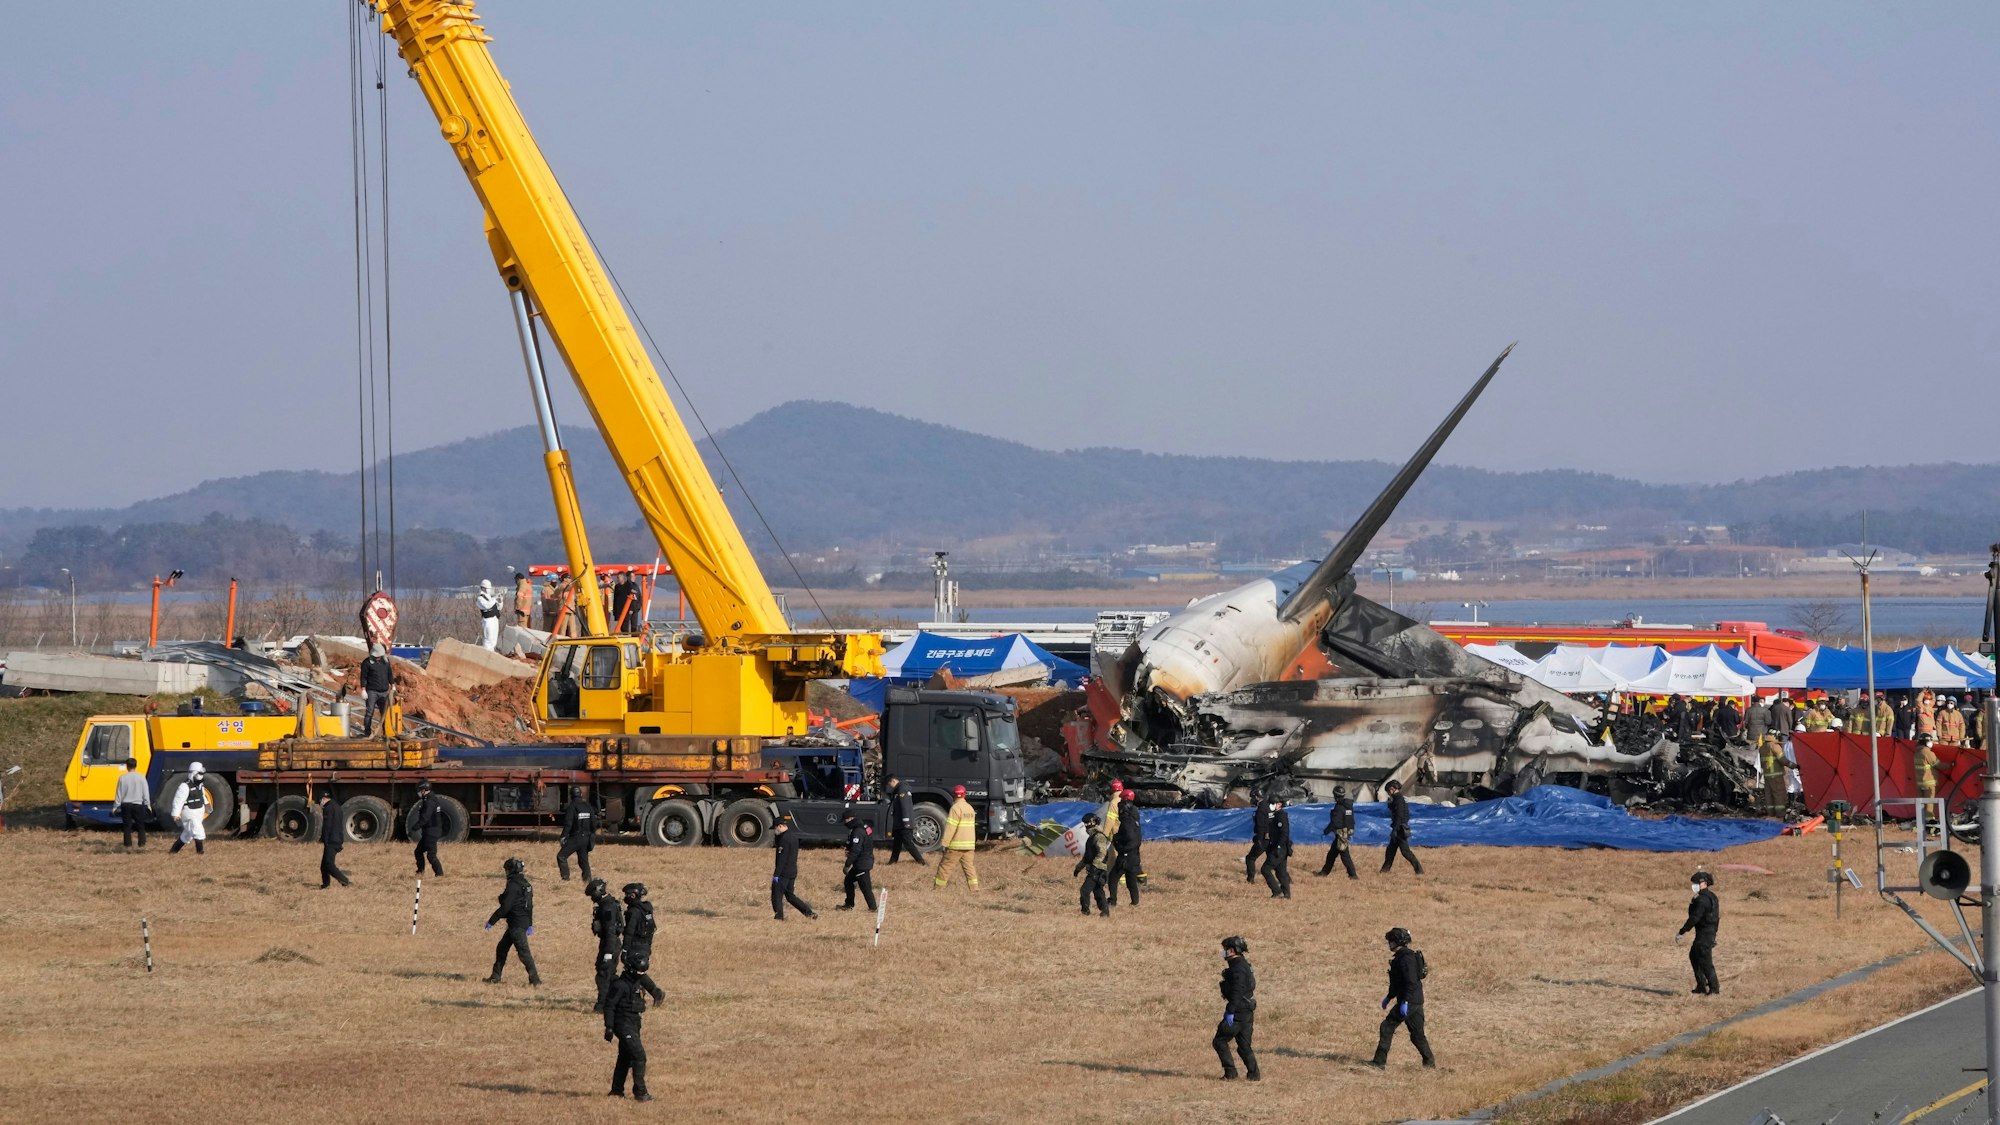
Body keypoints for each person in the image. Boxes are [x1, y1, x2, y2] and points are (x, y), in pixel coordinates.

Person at [1369, 927, 1435, 1068]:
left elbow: (1410, 982)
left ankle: (1378, 1063)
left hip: (1409, 1001)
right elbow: (1398, 982)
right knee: (1417, 1035)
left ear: (1397, 942)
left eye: (1391, 941)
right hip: (1415, 1001)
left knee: (1387, 1026)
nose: (1389, 944)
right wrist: (1389, 996)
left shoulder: (1405, 959)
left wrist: (1405, 1001)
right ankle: (1429, 1063)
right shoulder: (1403, 957)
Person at [603, 959, 655, 1101]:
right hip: (623, 1024)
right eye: (639, 973)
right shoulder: (619, 986)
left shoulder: (637, 982)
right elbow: (609, 1006)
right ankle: (640, 1092)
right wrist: (609, 1027)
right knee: (639, 1056)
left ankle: (616, 1091)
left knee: (624, 1058)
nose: (642, 976)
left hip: (634, 1024)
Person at [484, 856, 541, 985]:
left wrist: (492, 921)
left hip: (516, 925)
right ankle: (495, 976)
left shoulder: (513, 886)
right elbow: (529, 906)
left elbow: (505, 907)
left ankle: (535, 980)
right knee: (502, 948)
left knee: (524, 954)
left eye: (507, 870)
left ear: (511, 871)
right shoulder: (527, 885)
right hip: (519, 923)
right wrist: (530, 923)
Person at [1212, 935, 1259, 1081]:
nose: (1223, 952)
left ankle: (1230, 1073)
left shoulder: (1237, 969)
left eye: (1225, 950)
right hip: (1247, 1012)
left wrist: (1230, 1011)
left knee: (1219, 1041)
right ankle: (1254, 1075)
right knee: (1244, 1046)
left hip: (1237, 1012)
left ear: (1232, 951)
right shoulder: (1244, 964)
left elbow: (1237, 991)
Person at [619, 883, 666, 1004]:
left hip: (636, 945)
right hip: (645, 945)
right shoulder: (646, 909)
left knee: (634, 971)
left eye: (627, 894)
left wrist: (624, 950)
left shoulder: (634, 912)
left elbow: (629, 932)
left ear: (633, 895)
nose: (625, 897)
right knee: (634, 971)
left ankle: (655, 992)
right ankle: (641, 995)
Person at [1677, 870, 1721, 995]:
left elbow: (1695, 917)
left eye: (1696, 883)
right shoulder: (1712, 896)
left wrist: (1682, 931)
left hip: (1704, 933)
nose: (1694, 885)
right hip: (1708, 932)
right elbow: (1716, 918)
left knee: (1706, 961)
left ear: (1704, 884)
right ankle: (1701, 985)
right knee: (1694, 956)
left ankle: (1714, 988)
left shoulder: (1702, 900)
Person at [770, 813, 817, 920]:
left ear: (780, 826)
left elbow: (781, 859)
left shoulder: (784, 840)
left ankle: (779, 917)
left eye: (775, 828)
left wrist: (776, 875)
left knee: (777, 894)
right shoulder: (793, 837)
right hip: (792, 871)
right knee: (790, 896)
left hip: (783, 873)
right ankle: (809, 913)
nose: (774, 831)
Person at [934, 785, 979, 890]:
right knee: (969, 867)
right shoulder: (970, 808)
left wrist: (944, 843)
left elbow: (951, 827)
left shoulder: (955, 808)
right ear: (964, 794)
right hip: (969, 845)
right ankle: (975, 888)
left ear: (954, 795)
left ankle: (938, 889)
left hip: (956, 845)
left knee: (945, 867)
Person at [588, 879, 622, 1012]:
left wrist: (608, 952)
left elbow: (610, 931)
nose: (591, 898)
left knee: (603, 974)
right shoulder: (605, 904)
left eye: (592, 894)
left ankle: (602, 1005)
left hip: (610, 944)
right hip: (609, 943)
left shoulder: (607, 907)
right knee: (611, 974)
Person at [1073, 812, 1113, 917]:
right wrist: (1078, 868)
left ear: (1094, 822)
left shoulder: (1098, 836)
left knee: (1084, 890)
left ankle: (1085, 911)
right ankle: (1105, 912)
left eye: (1088, 823)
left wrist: (1095, 865)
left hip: (1098, 869)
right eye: (1085, 824)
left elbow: (1102, 852)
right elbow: (1087, 857)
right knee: (1098, 891)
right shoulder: (1091, 838)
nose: (1086, 826)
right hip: (1096, 869)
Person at [838, 808, 877, 912]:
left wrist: (847, 864)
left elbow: (856, 850)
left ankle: (873, 909)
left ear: (850, 819)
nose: (845, 823)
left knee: (866, 888)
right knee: (848, 881)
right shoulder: (862, 826)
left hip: (862, 864)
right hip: (862, 862)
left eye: (845, 821)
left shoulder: (857, 831)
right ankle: (849, 904)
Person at [1381, 780, 1423, 875]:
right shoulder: (1397, 799)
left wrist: (1395, 829)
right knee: (1390, 851)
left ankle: (1419, 870)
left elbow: (1400, 815)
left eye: (1388, 791)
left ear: (1392, 789)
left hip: (1399, 830)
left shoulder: (1399, 799)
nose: (1388, 793)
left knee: (1405, 852)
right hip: (1398, 828)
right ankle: (1384, 870)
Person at [1316, 785, 1358, 879]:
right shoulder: (1348, 805)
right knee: (1331, 854)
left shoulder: (1339, 807)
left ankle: (1353, 875)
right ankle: (1324, 872)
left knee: (1344, 855)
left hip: (1341, 834)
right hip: (1346, 832)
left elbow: (1335, 822)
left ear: (1335, 795)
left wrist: (1326, 831)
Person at [168, 763, 210, 856]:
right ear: (193, 773)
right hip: (190, 812)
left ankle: (173, 851)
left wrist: (207, 805)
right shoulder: (184, 786)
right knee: (198, 830)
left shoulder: (200, 785)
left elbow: (202, 796)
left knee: (188, 834)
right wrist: (175, 813)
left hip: (199, 811)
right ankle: (200, 852)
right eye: (199, 774)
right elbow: (178, 800)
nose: (201, 776)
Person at [557, 787, 596, 882]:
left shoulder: (572, 807)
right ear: (581, 795)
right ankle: (588, 881)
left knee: (561, 856)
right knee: (583, 861)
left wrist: (563, 836)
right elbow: (593, 823)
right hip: (586, 838)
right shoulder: (588, 806)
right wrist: (591, 835)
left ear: (571, 796)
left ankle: (565, 878)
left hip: (576, 838)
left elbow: (568, 824)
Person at [1112, 787, 1144, 906]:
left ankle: (1113, 901)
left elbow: (1128, 836)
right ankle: (1135, 902)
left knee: (1113, 878)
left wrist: (1118, 842)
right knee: (1130, 879)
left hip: (1126, 855)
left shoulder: (1127, 821)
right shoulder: (1135, 816)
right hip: (1134, 855)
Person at [884, 776, 925, 865]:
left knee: (908, 843)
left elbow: (905, 806)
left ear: (893, 781)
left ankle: (921, 861)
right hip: (899, 823)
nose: (890, 786)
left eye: (889, 784)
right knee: (897, 843)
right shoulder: (898, 790)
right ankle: (893, 861)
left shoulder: (902, 790)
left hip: (904, 823)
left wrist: (906, 821)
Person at [1259, 797, 1293, 899]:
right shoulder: (1275, 815)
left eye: (1273, 803)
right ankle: (1286, 894)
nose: (1271, 805)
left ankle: (1277, 891)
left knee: (1265, 869)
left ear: (1279, 804)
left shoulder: (1281, 816)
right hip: (1278, 847)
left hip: (1280, 848)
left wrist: (1278, 846)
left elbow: (1284, 833)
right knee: (1281, 872)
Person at [115, 757, 152, 847]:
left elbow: (118, 793)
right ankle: (142, 843)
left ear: (127, 766)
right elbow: (145, 792)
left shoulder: (122, 778)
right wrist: (148, 804)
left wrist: (115, 805)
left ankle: (128, 844)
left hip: (126, 804)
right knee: (140, 825)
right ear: (136, 766)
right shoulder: (141, 777)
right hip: (138, 804)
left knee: (127, 826)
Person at [411, 780, 445, 877]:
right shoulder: (431, 799)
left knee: (431, 855)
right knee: (418, 851)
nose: (419, 792)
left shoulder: (429, 802)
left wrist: (415, 828)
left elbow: (425, 818)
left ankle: (439, 874)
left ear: (425, 790)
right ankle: (420, 872)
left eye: (420, 790)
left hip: (432, 832)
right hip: (430, 831)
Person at [318, 791, 351, 888]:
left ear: (324, 799)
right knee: (324, 865)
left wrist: (325, 839)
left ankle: (345, 881)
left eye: (320, 800)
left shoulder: (328, 808)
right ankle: (325, 884)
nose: (320, 803)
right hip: (337, 837)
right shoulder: (337, 806)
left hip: (332, 839)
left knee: (328, 864)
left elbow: (327, 826)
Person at [359, 643, 393, 737]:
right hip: (372, 691)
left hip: (384, 692)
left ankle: (386, 733)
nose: (378, 658)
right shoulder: (366, 663)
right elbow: (363, 677)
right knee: (369, 712)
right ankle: (367, 732)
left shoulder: (386, 662)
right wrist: (363, 689)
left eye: (379, 656)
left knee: (385, 713)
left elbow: (389, 674)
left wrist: (392, 684)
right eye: (376, 656)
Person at [1244, 797, 1272, 884]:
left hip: (1263, 839)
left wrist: (1259, 839)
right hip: (1271, 838)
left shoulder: (1261, 810)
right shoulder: (1269, 808)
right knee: (1275, 861)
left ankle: (1250, 878)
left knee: (1250, 858)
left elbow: (1260, 826)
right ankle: (1287, 880)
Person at [475, 579, 502, 651]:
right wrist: (494, 599)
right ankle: (487, 653)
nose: (489, 590)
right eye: (488, 589)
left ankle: (492, 653)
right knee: (488, 639)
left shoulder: (490, 597)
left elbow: (498, 607)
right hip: (488, 620)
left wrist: (500, 601)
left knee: (494, 639)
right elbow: (487, 606)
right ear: (483, 588)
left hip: (495, 619)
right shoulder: (480, 598)